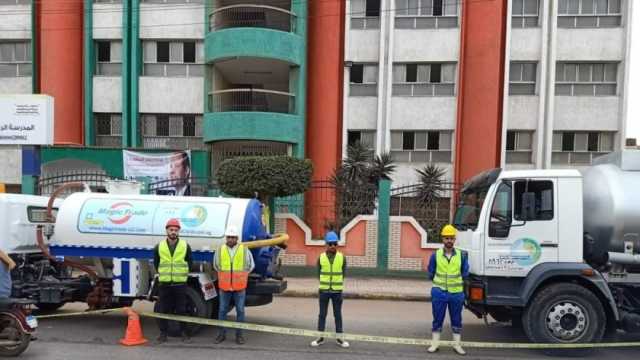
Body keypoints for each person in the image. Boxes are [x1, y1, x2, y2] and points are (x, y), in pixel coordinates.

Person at [427, 224, 469, 355]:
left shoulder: (461, 256)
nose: (449, 240)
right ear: (442, 239)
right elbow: (431, 272)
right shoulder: (436, 255)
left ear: (454, 239)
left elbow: (465, 273)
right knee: (437, 318)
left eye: (451, 238)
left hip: (456, 293)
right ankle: (435, 344)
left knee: (456, 319)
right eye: (446, 238)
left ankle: (457, 345)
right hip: (439, 292)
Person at [153, 218, 193, 344]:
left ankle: (184, 333)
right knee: (164, 309)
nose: (173, 232)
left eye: (176, 230)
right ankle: (163, 333)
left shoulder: (185, 246)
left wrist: (182, 275)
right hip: (165, 284)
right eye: (171, 230)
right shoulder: (159, 246)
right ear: (167, 230)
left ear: (179, 231)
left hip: (180, 284)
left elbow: (189, 262)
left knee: (181, 309)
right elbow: (156, 263)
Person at [213, 225, 255, 345]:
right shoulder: (220, 249)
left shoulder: (244, 249)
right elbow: (216, 265)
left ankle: (239, 335)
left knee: (240, 311)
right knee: (222, 311)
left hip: (239, 287)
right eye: (229, 237)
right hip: (224, 286)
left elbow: (251, 265)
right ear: (226, 238)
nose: (231, 239)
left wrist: (242, 276)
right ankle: (221, 334)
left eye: (233, 237)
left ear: (237, 238)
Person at [310, 232, 349, 348]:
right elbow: (319, 273)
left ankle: (339, 338)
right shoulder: (321, 258)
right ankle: (320, 338)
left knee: (338, 315)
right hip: (324, 291)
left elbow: (343, 273)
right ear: (326, 244)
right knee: (322, 315)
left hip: (337, 292)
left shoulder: (342, 257)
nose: (333, 246)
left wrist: (336, 284)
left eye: (335, 244)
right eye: (330, 244)